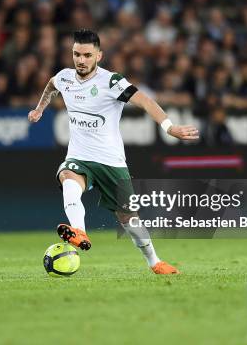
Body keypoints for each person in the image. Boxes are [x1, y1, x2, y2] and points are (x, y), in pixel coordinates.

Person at [28, 29, 199, 274]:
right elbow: (51, 86)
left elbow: (146, 101)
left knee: (130, 220)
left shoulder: (111, 82)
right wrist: (39, 109)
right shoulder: (64, 77)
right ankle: (79, 231)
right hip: (79, 157)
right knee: (67, 176)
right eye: (76, 54)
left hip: (111, 162)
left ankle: (155, 261)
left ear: (99, 55)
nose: (81, 60)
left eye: (87, 55)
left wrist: (170, 127)